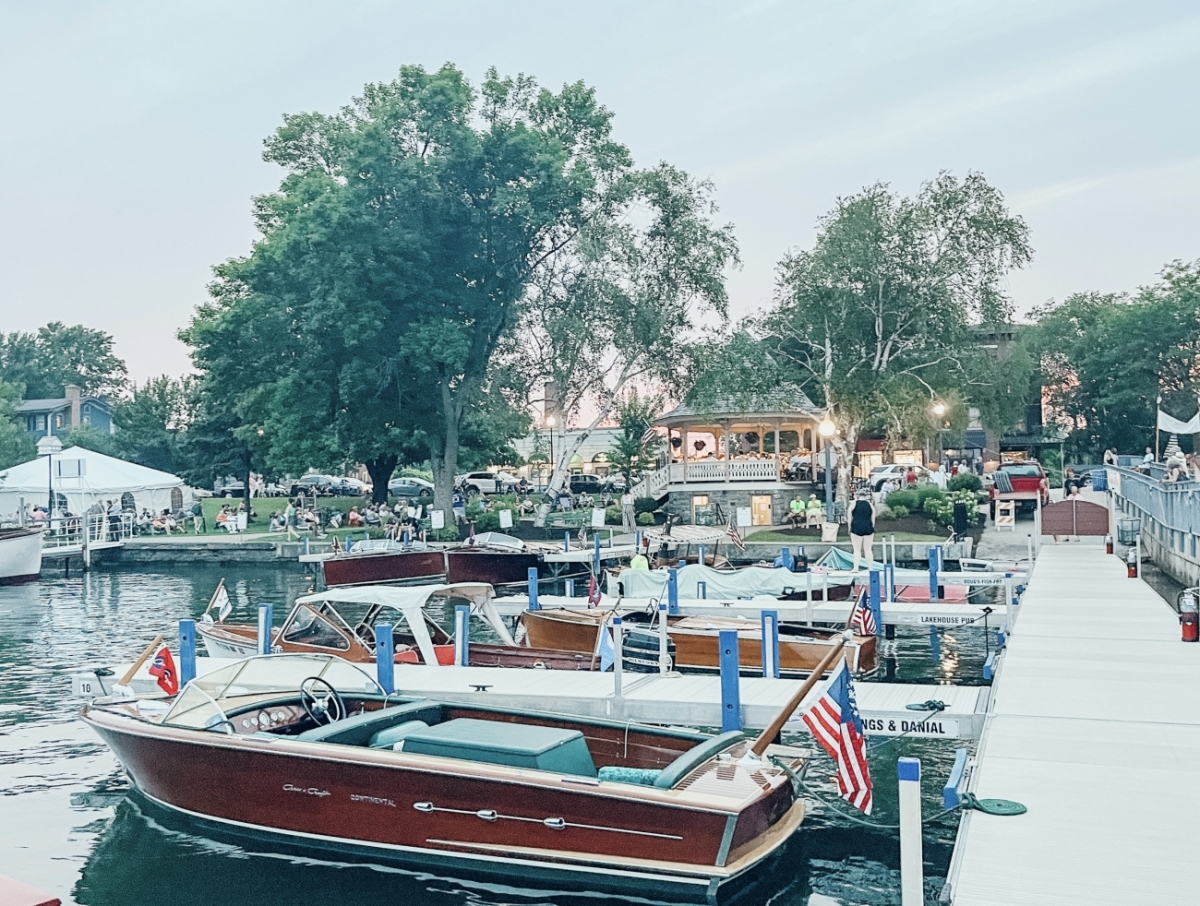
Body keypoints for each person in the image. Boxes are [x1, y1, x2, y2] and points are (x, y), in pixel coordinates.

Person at [848, 488, 877, 573]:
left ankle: (855, 568)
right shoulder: (870, 504)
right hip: (868, 527)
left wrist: (849, 528)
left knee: (857, 549)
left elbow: (849, 518)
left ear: (857, 495)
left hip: (856, 527)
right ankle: (870, 568)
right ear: (866, 496)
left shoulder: (853, 504)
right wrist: (871, 527)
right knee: (868, 549)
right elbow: (873, 519)